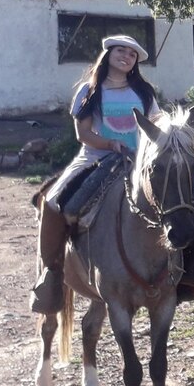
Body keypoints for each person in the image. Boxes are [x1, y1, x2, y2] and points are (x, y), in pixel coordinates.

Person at [30, 34, 161, 314]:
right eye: (121, 51)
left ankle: (180, 270)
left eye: (132, 54)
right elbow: (83, 133)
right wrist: (111, 143)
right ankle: (51, 273)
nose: (126, 56)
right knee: (53, 202)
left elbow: (156, 125)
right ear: (108, 54)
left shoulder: (144, 92)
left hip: (138, 161)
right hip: (95, 159)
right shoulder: (89, 90)